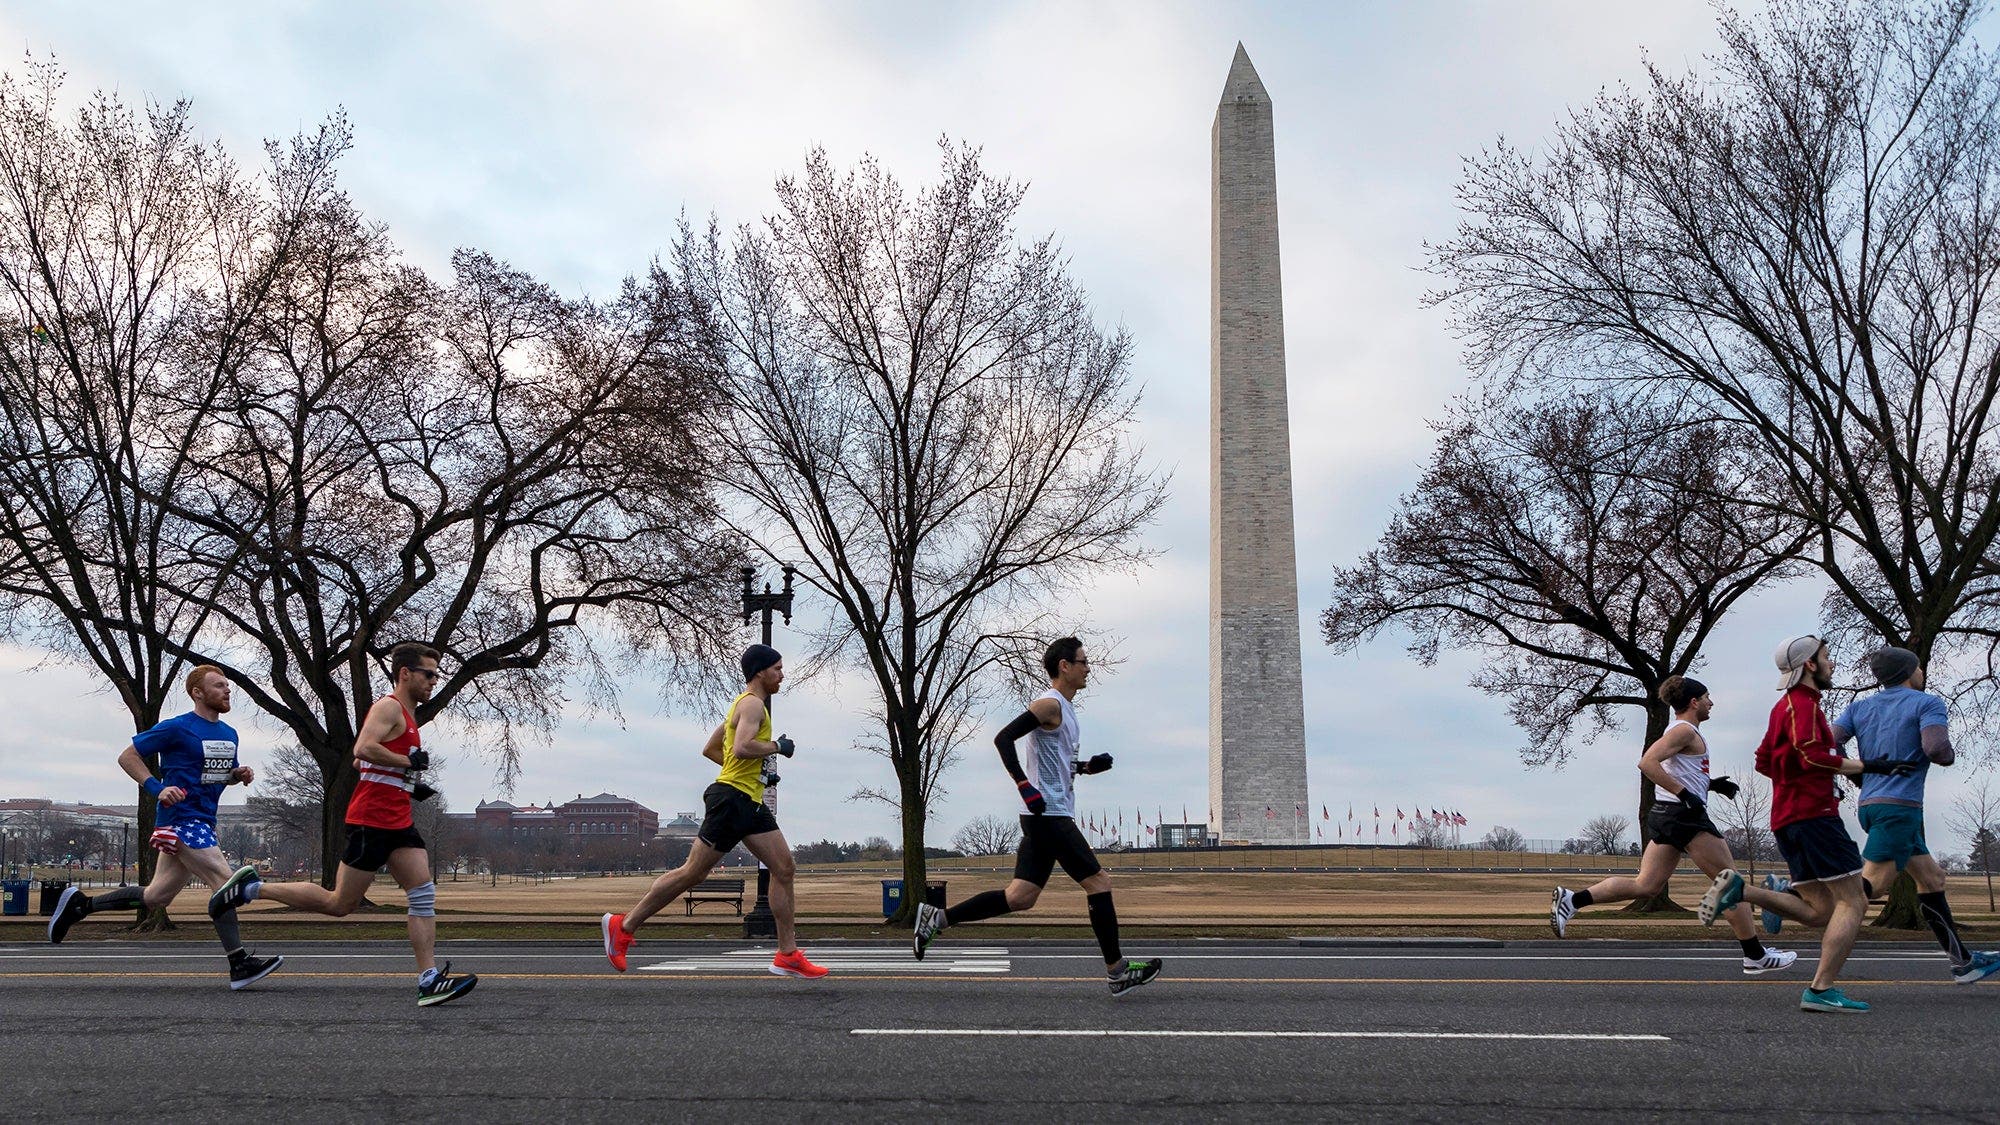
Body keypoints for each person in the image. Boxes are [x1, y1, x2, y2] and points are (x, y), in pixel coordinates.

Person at [205, 642, 477, 1007]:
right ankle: (252, 889)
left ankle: (428, 980)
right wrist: (405, 762)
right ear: (405, 674)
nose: (434, 681)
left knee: (423, 892)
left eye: (436, 675)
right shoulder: (389, 707)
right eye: (429, 674)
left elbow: (362, 767)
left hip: (397, 820)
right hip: (371, 822)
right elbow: (361, 749)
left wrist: (409, 783)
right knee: (339, 904)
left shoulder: (409, 718)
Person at [911, 637, 1163, 997]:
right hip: (1049, 815)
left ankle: (937, 918)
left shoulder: (1068, 712)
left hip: (1044, 814)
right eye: (1083, 662)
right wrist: (1023, 785)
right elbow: (1003, 739)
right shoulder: (1049, 705)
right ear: (1065, 666)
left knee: (1020, 897)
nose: (1088, 668)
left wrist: (1089, 767)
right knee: (1099, 884)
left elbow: (1059, 765)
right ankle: (1117, 970)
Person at [1699, 635, 1918, 1014]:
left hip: (1787, 819)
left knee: (1818, 912)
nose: (1832, 663)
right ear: (1811, 665)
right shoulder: (1804, 704)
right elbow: (1812, 754)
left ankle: (1741, 890)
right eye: (1827, 657)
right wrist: (1870, 766)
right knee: (1854, 899)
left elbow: (1764, 760)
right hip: (1815, 817)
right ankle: (1821, 989)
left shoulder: (1781, 706)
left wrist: (1795, 778)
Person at [46, 665, 283, 990]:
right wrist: (157, 788)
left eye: (228, 686)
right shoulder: (177, 728)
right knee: (225, 882)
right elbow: (127, 756)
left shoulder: (229, 734)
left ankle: (80, 905)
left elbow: (212, 777)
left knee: (156, 897)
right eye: (219, 686)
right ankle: (239, 962)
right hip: (179, 819)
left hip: (203, 820)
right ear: (197, 693)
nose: (227, 691)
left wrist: (236, 775)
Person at [600, 643, 826, 979]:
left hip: (746, 799)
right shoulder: (753, 705)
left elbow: (712, 749)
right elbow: (742, 746)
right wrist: (779, 746)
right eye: (777, 668)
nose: (782, 675)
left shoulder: (740, 704)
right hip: (732, 801)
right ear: (761, 672)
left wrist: (758, 774)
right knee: (692, 872)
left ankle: (788, 954)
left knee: (785, 868)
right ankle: (624, 925)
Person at [1549, 676, 1797, 974]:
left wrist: (1711, 784)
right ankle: (1755, 955)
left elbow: (1681, 769)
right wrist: (1686, 795)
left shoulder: (1683, 731)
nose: (1711, 702)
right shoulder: (1683, 730)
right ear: (1694, 702)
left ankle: (1573, 899)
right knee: (1730, 884)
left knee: (1647, 886)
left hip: (1667, 815)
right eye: (1707, 697)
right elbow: (1648, 762)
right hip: (1683, 817)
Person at [1830, 646, 1998, 983]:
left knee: (1932, 879)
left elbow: (1829, 743)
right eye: (1918, 666)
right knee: (1869, 888)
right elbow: (1935, 748)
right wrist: (1946, 756)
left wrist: (1859, 774)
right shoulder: (1927, 703)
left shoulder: (1858, 707)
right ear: (1908, 671)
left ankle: (1962, 962)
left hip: (1872, 804)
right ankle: (1790, 895)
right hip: (1899, 809)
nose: (1921, 671)